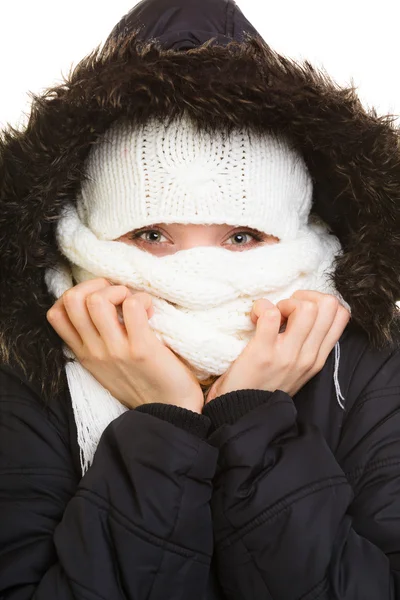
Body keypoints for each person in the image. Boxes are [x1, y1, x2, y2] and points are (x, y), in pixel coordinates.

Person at [1, 1, 400, 599]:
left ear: (294, 232)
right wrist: (167, 423)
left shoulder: (367, 367)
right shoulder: (26, 373)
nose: (193, 272)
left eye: (242, 237)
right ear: (82, 230)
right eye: (150, 235)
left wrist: (250, 414)